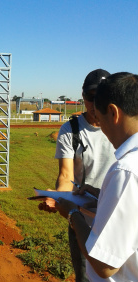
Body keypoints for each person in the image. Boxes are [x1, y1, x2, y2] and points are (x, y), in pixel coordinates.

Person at [55, 72, 138, 281]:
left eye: (101, 120)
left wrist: (73, 213)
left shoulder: (125, 171)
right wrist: (102, 195)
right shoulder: (71, 130)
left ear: (113, 112)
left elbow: (104, 265)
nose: (104, 131)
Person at [39, 69, 116, 282]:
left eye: (102, 97)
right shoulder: (71, 130)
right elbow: (66, 175)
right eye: (91, 97)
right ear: (83, 97)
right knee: (86, 276)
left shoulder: (120, 128)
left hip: (118, 217)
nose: (95, 104)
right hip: (84, 221)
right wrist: (57, 197)